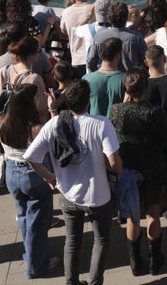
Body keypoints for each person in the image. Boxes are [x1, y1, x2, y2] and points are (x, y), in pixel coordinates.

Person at [25, 81, 122, 285]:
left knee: (72, 240)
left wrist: (49, 176)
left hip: (68, 194)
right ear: (88, 101)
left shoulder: (54, 124)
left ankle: (72, 282)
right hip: (98, 195)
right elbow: (114, 161)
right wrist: (116, 176)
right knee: (101, 240)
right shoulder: (101, 123)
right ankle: (95, 282)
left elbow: (31, 157)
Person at [0, 82, 58, 278]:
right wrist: (53, 110)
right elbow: (55, 141)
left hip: (12, 173)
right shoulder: (36, 128)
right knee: (38, 222)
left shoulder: (1, 121)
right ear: (30, 102)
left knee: (23, 216)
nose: (40, 99)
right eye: (37, 97)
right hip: (34, 176)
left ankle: (30, 255)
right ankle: (36, 266)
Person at [110, 66, 167, 274]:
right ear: (145, 88)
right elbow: (164, 139)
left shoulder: (116, 110)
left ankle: (135, 262)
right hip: (152, 166)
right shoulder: (155, 112)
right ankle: (155, 259)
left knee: (132, 215)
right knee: (153, 212)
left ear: (126, 89)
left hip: (128, 168)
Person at [82, 37, 125, 117]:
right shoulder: (126, 80)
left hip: (93, 127)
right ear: (118, 55)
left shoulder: (86, 79)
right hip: (115, 128)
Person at [61, 0, 93, 76]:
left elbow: (64, 32)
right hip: (93, 58)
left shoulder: (66, 12)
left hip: (76, 60)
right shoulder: (93, 10)